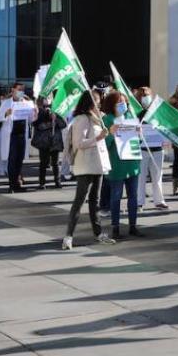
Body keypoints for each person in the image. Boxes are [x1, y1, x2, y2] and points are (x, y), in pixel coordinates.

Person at [62, 90, 115, 249]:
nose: (99, 103)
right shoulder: (82, 119)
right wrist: (99, 137)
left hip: (97, 164)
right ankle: (68, 236)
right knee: (79, 201)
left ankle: (98, 233)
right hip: (86, 165)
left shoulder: (96, 119)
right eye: (97, 100)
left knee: (95, 201)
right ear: (90, 102)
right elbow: (79, 143)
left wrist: (105, 134)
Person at [103, 90, 143, 240]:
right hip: (116, 164)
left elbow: (136, 142)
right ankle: (115, 228)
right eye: (120, 103)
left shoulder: (130, 118)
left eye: (125, 102)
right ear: (112, 105)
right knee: (116, 197)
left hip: (132, 163)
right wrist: (110, 133)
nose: (123, 105)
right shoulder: (107, 120)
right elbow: (103, 144)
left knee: (133, 196)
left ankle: (133, 226)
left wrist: (138, 134)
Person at [135, 86, 168, 211]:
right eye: (143, 96)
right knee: (141, 177)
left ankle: (159, 201)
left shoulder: (157, 112)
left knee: (157, 176)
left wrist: (166, 140)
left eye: (147, 95)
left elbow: (164, 127)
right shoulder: (136, 113)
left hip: (157, 149)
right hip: (142, 149)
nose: (145, 98)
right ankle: (139, 202)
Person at [0, 83, 33, 193]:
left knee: (19, 160)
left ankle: (17, 184)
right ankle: (11, 185)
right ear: (13, 90)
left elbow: (31, 120)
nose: (21, 91)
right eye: (19, 89)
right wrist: (6, 114)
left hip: (22, 135)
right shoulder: (7, 103)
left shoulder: (27, 103)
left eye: (23, 89)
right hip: (11, 136)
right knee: (12, 161)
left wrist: (34, 113)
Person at [31, 96, 66, 189]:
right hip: (43, 142)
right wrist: (50, 123)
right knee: (43, 163)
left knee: (55, 163)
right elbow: (37, 125)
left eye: (49, 97)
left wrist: (56, 118)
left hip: (55, 141)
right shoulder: (38, 111)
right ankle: (42, 183)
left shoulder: (57, 110)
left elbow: (63, 124)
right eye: (46, 98)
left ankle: (57, 182)